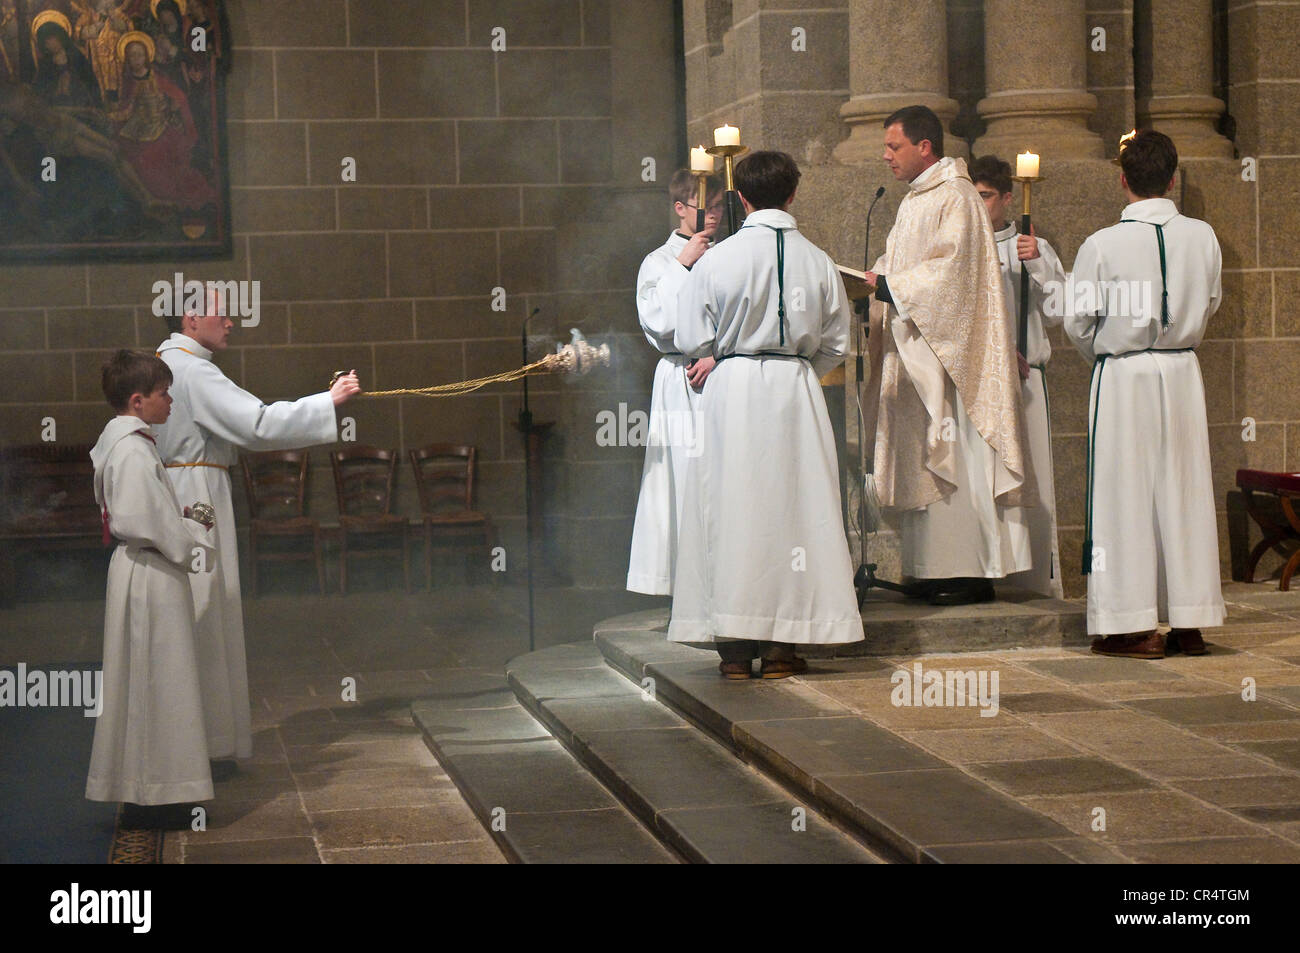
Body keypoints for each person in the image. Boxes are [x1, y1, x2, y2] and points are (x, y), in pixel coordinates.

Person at [670, 150, 863, 678]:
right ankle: (782, 647)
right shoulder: (819, 261)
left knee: (732, 509)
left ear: (742, 198)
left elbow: (690, 337)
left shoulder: (719, 259)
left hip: (733, 390)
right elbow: (839, 343)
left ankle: (733, 649)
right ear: (793, 194)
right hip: (796, 390)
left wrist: (724, 353)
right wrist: (799, 367)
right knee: (792, 514)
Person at [155, 300, 361, 773]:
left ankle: (200, 743)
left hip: (180, 490)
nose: (230, 323)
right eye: (219, 315)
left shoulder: (167, 362)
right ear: (190, 320)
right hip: (197, 497)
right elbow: (258, 423)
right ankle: (208, 747)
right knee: (208, 614)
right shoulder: (192, 371)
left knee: (199, 614)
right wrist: (327, 401)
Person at [863, 105, 1035, 606]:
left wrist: (890, 285)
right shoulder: (913, 201)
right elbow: (901, 265)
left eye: (894, 146)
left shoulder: (956, 196)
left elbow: (953, 274)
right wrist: (871, 282)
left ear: (924, 147)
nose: (886, 155)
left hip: (949, 359)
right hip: (918, 351)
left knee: (952, 454)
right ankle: (931, 569)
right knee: (926, 457)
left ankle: (967, 569)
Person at [1063, 128, 1223, 658]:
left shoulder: (1101, 244)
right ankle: (1189, 619)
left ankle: (1134, 627)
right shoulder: (1202, 237)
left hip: (1125, 375)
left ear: (1123, 180)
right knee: (1184, 491)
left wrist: (1108, 357)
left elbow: (1077, 321)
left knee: (1123, 496)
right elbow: (1211, 301)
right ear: (1173, 179)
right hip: (1181, 373)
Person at [87, 349, 215, 829]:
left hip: (144, 569)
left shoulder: (129, 443)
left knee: (153, 683)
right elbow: (143, 520)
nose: (171, 402)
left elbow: (146, 515)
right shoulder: (133, 449)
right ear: (138, 401)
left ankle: (153, 789)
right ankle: (154, 795)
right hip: (150, 573)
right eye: (164, 394)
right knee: (155, 683)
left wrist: (176, 524)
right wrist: (193, 533)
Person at [970, 154, 1066, 598]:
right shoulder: (963, 248)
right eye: (971, 194)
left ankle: (1036, 585)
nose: (978, 202)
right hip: (979, 387)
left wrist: (1038, 266)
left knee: (1033, 484)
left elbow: (1061, 311)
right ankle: (985, 575)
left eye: (985, 195)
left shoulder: (1031, 246)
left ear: (1008, 198)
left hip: (1027, 382)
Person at [626, 168, 722, 596]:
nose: (715, 215)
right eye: (706, 207)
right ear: (680, 208)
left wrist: (717, 353)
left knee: (718, 478)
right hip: (678, 379)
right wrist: (684, 264)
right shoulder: (659, 261)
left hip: (721, 374)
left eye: (720, 206)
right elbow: (658, 320)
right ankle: (686, 584)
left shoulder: (730, 253)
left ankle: (720, 577)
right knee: (682, 477)